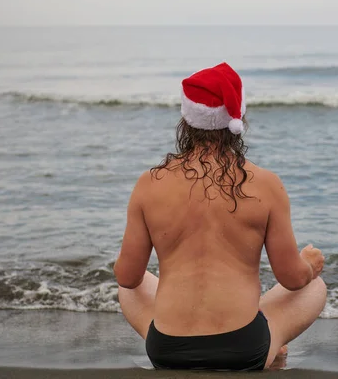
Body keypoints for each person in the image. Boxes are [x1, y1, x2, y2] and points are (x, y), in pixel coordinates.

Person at [113, 62, 326, 371]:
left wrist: (123, 261)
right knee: (314, 287)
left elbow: (127, 277)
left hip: (166, 350)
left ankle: (242, 343)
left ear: (186, 119)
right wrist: (309, 264)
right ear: (238, 118)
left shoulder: (149, 183)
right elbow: (292, 279)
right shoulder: (265, 184)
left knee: (128, 286)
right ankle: (272, 348)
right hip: (243, 350)